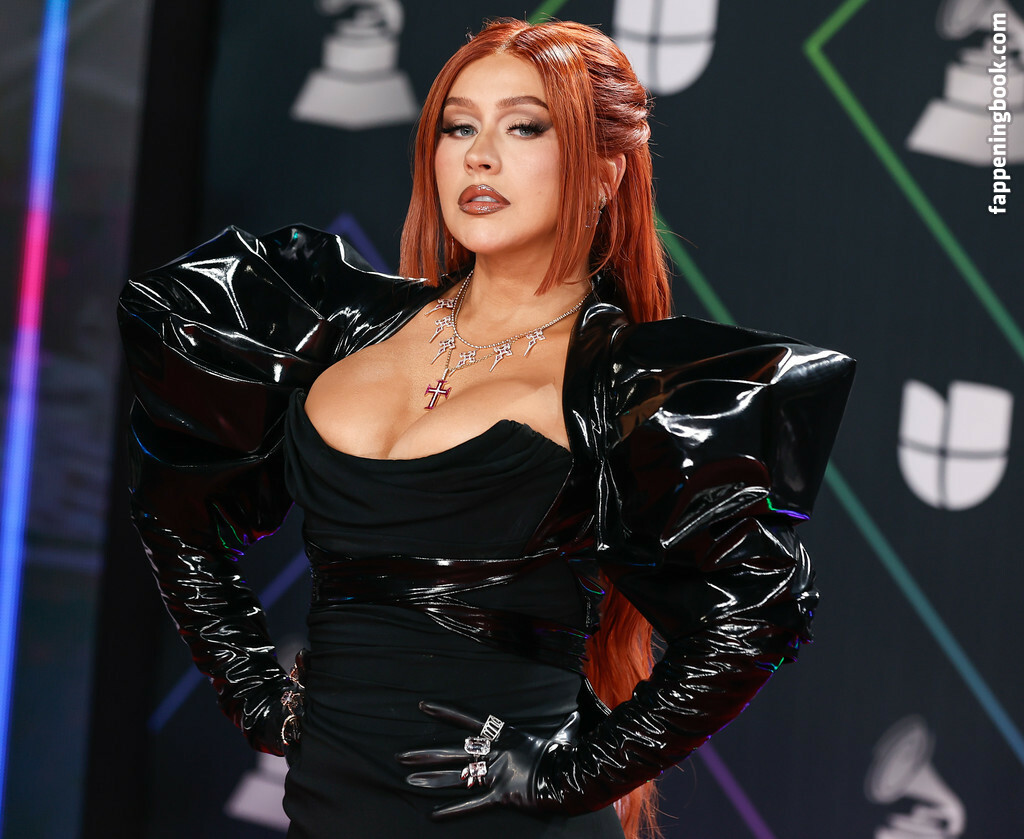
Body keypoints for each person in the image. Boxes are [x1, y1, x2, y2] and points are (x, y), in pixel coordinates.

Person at [118, 18, 854, 839]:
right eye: (459, 127)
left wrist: (573, 775)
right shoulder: (333, 324)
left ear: (605, 172)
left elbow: (758, 607)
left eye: (525, 127)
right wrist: (251, 686)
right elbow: (176, 505)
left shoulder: (620, 383)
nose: (480, 156)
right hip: (329, 807)